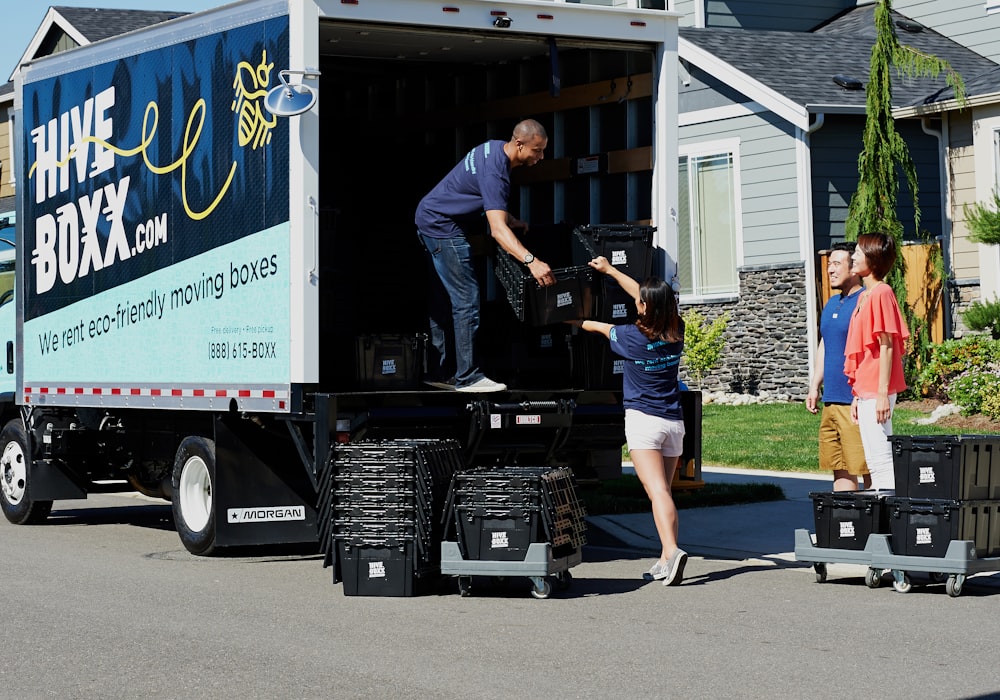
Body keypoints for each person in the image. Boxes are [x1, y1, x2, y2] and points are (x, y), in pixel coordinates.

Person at [571, 256, 688, 586]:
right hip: (673, 424)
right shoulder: (676, 330)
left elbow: (596, 326)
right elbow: (647, 296)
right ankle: (666, 560)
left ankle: (672, 549)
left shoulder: (630, 337)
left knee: (657, 492)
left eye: (639, 302)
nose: (635, 301)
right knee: (662, 493)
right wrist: (610, 271)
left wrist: (573, 319)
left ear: (644, 308)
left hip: (644, 423)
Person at [415, 119, 556, 393]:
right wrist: (532, 262)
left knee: (443, 299)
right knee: (466, 299)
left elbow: (478, 193)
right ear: (519, 144)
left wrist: (508, 218)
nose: (540, 157)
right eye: (537, 150)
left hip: (428, 218)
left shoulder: (492, 149)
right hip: (442, 227)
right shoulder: (497, 173)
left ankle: (440, 372)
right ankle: (467, 377)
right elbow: (497, 232)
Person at [844, 232, 910, 491]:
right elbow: (864, 351)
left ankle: (888, 515)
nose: (853, 256)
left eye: (859, 253)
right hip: (867, 389)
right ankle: (879, 514)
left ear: (872, 259)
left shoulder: (882, 292)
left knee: (881, 456)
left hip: (878, 388)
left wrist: (882, 393)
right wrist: (857, 395)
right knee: (872, 456)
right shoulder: (864, 296)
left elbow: (886, 344)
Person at [806, 242, 870, 491]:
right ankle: (847, 523)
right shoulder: (832, 303)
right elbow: (826, 344)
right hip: (831, 401)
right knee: (840, 467)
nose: (830, 269)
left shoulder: (865, 301)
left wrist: (860, 394)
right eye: (829, 264)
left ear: (853, 268)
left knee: (866, 467)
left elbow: (872, 351)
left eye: (836, 264)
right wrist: (815, 385)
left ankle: (875, 525)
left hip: (854, 402)